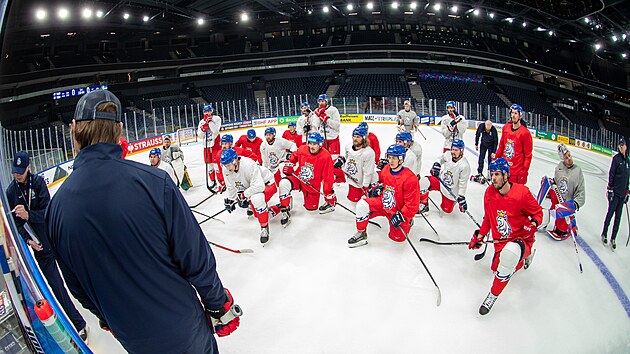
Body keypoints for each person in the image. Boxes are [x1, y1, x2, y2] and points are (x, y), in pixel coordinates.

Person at [46, 90, 239, 353]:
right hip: (182, 328)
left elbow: (77, 286)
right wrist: (218, 304)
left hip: (131, 335)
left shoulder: (55, 209)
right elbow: (195, 257)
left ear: (74, 129)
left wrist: (108, 319)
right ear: (120, 131)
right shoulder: (153, 183)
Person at [6, 151, 89, 342]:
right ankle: (79, 324)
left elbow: (47, 211)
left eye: (21, 170)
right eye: (15, 171)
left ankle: (100, 310)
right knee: (57, 287)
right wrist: (28, 241)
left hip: (54, 238)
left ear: (28, 167)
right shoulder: (11, 192)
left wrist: (29, 215)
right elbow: (17, 225)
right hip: (40, 249)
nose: (18, 175)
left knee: (77, 277)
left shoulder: (38, 183)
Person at [469, 158, 542, 315]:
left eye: (497, 174)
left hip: (521, 239)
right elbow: (488, 218)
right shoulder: (489, 193)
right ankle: (521, 260)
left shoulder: (522, 193)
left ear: (506, 175)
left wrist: (533, 224)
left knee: (508, 257)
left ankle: (492, 296)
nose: (493, 178)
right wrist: (480, 236)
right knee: (496, 267)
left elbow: (538, 212)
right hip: (501, 242)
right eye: (492, 174)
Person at [348, 144, 420, 248]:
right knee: (362, 205)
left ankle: (409, 221)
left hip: (397, 211)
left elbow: (413, 204)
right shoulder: (386, 169)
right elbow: (382, 179)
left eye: (394, 158)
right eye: (389, 157)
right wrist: (377, 188)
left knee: (397, 239)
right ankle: (361, 233)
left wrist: (403, 216)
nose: (390, 161)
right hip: (384, 203)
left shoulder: (410, 178)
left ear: (401, 159)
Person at [220, 149, 279, 244]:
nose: (227, 168)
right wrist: (232, 200)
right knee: (260, 215)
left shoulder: (249, 165)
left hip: (267, 184)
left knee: (256, 199)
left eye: (228, 165)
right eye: (224, 165)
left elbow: (259, 186)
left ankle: (264, 228)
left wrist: (244, 195)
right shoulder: (226, 169)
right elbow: (231, 186)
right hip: (251, 186)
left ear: (235, 161)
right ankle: (278, 207)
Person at [279, 132, 337, 224]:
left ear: (320, 144)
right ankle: (285, 209)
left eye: (314, 144)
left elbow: (328, 177)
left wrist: (328, 194)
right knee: (284, 183)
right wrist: (290, 164)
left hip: (312, 186)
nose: (311, 146)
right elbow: (294, 156)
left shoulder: (325, 156)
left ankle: (330, 204)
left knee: (311, 210)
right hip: (298, 178)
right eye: (310, 143)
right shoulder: (302, 149)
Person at [419, 139, 471, 214]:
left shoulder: (464, 166)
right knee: (423, 182)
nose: (453, 152)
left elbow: (463, 183)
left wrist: (461, 196)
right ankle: (424, 205)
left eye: (456, 150)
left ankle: (452, 202)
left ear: (461, 151)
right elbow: (440, 158)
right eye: (452, 149)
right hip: (440, 181)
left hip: (450, 191)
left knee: (446, 210)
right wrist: (437, 164)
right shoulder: (448, 154)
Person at [545, 143, 585, 241]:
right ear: (562, 159)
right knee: (545, 199)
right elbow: (556, 182)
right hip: (559, 199)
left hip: (568, 203)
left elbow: (581, 191)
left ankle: (571, 223)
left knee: (560, 229)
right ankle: (543, 221)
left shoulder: (577, 171)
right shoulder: (559, 169)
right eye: (566, 157)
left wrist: (575, 204)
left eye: (569, 156)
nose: (569, 159)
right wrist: (551, 185)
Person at [334, 126, 377, 203]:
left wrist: (365, 185)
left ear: (364, 138)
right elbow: (347, 157)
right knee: (352, 200)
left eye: (358, 137)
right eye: (354, 136)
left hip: (360, 183)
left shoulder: (369, 153)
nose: (355, 139)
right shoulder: (348, 147)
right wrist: (342, 160)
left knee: (360, 202)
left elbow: (368, 171)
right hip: (351, 177)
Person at [601, 138, 629, 250]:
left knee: (618, 217)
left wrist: (627, 192)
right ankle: (604, 233)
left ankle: (613, 238)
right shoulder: (616, 159)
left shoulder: (628, 161)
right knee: (610, 214)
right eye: (620, 145)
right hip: (615, 193)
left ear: (626, 146)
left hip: (622, 195)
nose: (621, 147)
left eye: (623, 145)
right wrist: (610, 189)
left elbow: (627, 178)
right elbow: (611, 174)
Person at [494, 104, 533, 184]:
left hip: (516, 172)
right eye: (512, 113)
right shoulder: (506, 128)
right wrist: (496, 159)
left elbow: (528, 155)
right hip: (504, 169)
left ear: (520, 116)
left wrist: (524, 171)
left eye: (516, 113)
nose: (513, 115)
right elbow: (501, 147)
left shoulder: (525, 133)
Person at [311, 94, 344, 182]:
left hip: (333, 139)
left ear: (326, 101)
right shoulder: (316, 111)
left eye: (323, 101)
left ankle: (340, 180)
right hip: (322, 140)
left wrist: (326, 119)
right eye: (320, 101)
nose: (321, 103)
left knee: (334, 161)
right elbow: (315, 125)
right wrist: (319, 115)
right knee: (322, 160)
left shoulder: (333, 110)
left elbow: (337, 126)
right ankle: (324, 177)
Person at [197, 104, 222, 189]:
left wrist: (210, 122)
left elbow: (215, 130)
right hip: (206, 145)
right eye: (206, 111)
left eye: (209, 111)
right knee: (209, 164)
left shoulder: (217, 119)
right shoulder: (201, 122)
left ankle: (221, 181)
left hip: (215, 144)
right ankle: (212, 181)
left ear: (212, 111)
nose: (208, 113)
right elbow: (200, 136)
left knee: (216, 164)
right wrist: (203, 128)